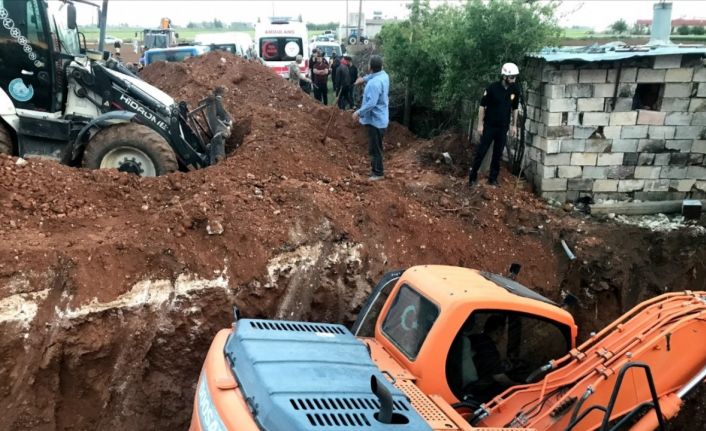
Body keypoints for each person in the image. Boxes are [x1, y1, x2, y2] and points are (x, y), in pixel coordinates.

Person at [468, 62, 521, 188]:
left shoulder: (515, 90)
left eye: (515, 77)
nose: (513, 79)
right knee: (482, 151)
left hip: (503, 127)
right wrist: (480, 125)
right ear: (504, 76)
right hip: (490, 126)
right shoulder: (492, 88)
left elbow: (515, 108)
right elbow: (482, 106)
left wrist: (514, 125)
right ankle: (472, 177)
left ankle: (493, 179)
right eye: (511, 77)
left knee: (498, 154)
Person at [352, 55, 389, 181]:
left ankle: (378, 173)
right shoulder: (384, 76)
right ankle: (376, 169)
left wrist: (359, 112)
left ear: (370, 67)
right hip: (381, 118)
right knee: (375, 146)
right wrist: (364, 79)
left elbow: (371, 104)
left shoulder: (374, 84)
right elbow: (373, 76)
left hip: (375, 120)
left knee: (375, 148)